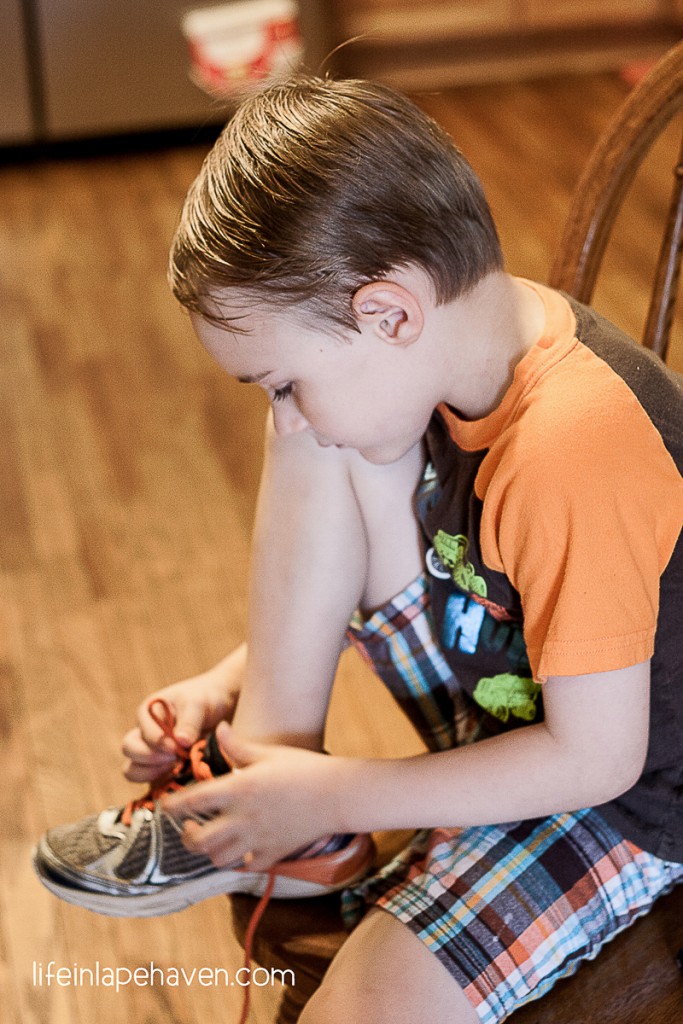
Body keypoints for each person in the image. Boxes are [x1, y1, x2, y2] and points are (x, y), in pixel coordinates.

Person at [34, 76, 683, 1024]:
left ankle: (295, 813)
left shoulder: (575, 447)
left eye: (283, 381)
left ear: (388, 312)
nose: (282, 409)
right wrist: (231, 680)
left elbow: (596, 759)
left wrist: (338, 794)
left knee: (363, 1009)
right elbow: (463, 566)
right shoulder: (453, 345)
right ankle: (270, 780)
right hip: (515, 686)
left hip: (624, 794)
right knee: (317, 440)